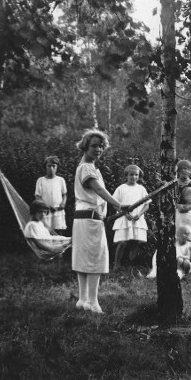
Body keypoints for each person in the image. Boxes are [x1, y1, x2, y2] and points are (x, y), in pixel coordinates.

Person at [72, 129, 124, 315]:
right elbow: (100, 191)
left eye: (101, 146)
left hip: (84, 218)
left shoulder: (88, 167)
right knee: (95, 258)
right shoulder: (86, 167)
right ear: (85, 146)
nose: (98, 149)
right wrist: (119, 206)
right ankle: (92, 302)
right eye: (94, 145)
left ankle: (83, 299)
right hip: (90, 218)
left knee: (84, 258)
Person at [147, 185, 191, 279]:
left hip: (187, 236)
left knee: (182, 257)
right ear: (183, 195)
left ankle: (179, 273)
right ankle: (155, 270)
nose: (190, 197)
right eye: (188, 194)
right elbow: (170, 217)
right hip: (175, 234)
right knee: (163, 251)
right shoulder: (176, 207)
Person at [111, 165, 150, 270]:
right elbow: (115, 204)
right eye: (131, 175)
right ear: (126, 176)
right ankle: (116, 264)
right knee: (122, 242)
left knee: (138, 241)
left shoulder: (141, 189)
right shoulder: (121, 188)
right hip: (124, 218)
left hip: (137, 218)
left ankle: (130, 262)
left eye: (136, 175)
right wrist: (125, 213)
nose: (134, 177)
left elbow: (147, 205)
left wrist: (140, 214)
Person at [35, 155, 67, 234]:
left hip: (58, 211)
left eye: (54, 166)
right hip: (46, 211)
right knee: (46, 231)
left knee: (58, 231)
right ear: (45, 167)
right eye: (49, 166)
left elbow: (64, 194)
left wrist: (63, 204)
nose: (51, 168)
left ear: (57, 167)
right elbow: (37, 196)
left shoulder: (60, 180)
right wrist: (47, 207)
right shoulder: (41, 180)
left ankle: (59, 245)